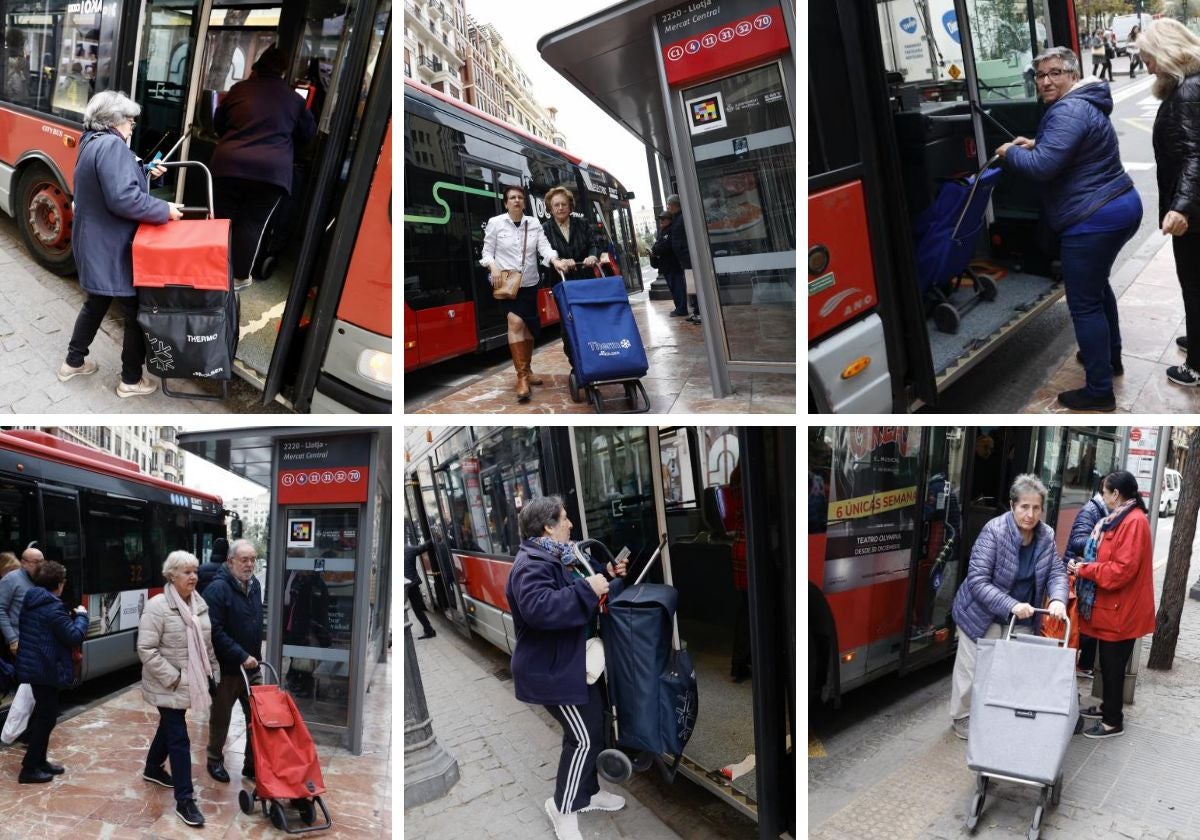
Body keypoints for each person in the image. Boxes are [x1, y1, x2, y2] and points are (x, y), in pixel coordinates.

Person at [997, 47, 1142, 411]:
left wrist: (1010, 153)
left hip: (1092, 217)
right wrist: (1036, 144)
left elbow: (1044, 167)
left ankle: (1098, 391)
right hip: (1116, 205)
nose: (1046, 81)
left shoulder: (1069, 109)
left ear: (1073, 75)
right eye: (1040, 75)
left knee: (1084, 303)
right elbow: (1064, 151)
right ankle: (1110, 359)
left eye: (1055, 72)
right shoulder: (1081, 104)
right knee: (1097, 287)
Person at [504, 495, 629, 840]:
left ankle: (587, 794)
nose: (571, 524)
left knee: (596, 728)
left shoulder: (560, 555)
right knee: (585, 738)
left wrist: (605, 575)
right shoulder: (530, 564)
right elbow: (540, 608)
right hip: (553, 671)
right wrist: (589, 588)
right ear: (547, 526)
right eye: (565, 518)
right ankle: (563, 807)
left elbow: (577, 588)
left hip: (574, 662)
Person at [58, 90, 183, 397]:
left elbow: (115, 186)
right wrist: (164, 210)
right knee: (136, 311)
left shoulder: (92, 142)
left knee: (96, 302)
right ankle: (130, 380)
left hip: (96, 242)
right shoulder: (113, 146)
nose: (132, 125)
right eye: (129, 119)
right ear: (113, 120)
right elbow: (123, 199)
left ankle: (73, 363)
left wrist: (145, 172)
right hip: (112, 246)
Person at [947, 474, 1068, 740]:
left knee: (1015, 669)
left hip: (1023, 615)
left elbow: (1056, 573)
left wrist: (1058, 598)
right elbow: (978, 580)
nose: (1030, 514)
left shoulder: (1045, 535)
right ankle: (962, 716)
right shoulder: (995, 530)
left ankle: (998, 713)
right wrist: (1011, 604)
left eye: (1036, 508)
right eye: (1024, 506)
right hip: (981, 613)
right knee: (972, 668)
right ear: (1013, 506)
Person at [209, 45, 316, 290]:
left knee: (222, 220)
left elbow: (219, 122)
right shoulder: (293, 98)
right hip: (270, 173)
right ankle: (238, 278)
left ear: (258, 65)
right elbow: (308, 135)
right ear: (283, 70)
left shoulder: (239, 89)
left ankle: (213, 271)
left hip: (229, 166)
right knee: (252, 224)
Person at [1135, 19, 1200, 385]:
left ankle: (1196, 366)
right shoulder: (1190, 85)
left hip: (1194, 212)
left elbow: (1195, 155)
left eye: (1148, 59)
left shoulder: (1188, 91)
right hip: (1194, 204)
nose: (1146, 66)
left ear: (1165, 53)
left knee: (1193, 284)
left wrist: (1182, 207)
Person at [1066, 470, 1155, 739]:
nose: (1102, 497)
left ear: (1116, 495)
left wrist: (1085, 569)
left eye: (1104, 492)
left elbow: (1120, 571)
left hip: (1123, 610)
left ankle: (1113, 722)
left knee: (1113, 665)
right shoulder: (1123, 518)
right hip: (1116, 608)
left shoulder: (1133, 522)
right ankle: (1108, 708)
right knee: (1107, 663)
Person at [137, 551, 219, 828]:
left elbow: (207, 647)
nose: (194, 576)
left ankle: (152, 768)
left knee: (169, 726)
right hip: (167, 682)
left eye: (195, 571)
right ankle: (185, 799)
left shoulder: (200, 605)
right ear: (171, 575)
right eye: (187, 572)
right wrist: (174, 678)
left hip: (191, 680)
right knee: (179, 738)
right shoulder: (158, 606)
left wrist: (212, 676)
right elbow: (146, 649)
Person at [480, 185, 571, 402]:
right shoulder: (496, 223)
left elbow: (544, 248)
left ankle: (528, 370)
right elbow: (486, 251)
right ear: (506, 203)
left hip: (529, 283)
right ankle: (521, 377)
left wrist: (555, 260)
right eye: (512, 198)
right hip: (506, 283)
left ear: (524, 202)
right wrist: (492, 267)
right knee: (515, 323)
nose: (517, 201)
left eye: (520, 197)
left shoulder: (534, 223)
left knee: (528, 329)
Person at [14, 561, 87, 784]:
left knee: (46, 715)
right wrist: (82, 616)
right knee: (47, 718)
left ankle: (40, 761)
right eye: (63, 581)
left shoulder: (33, 600)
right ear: (58, 584)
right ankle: (29, 768)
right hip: (46, 669)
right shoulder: (53, 608)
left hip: (36, 666)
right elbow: (74, 636)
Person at [203, 539, 263, 784]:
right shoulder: (217, 590)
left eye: (252, 559)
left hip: (253, 666)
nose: (249, 565)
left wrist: (255, 655)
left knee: (258, 717)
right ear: (230, 562)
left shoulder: (256, 585)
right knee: (221, 718)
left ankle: (251, 763)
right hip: (228, 668)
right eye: (244, 560)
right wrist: (241, 655)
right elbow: (214, 631)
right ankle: (214, 759)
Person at [1066, 488, 1108, 678]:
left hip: (1085, 572)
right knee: (1079, 622)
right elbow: (1077, 541)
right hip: (1078, 573)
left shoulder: (1103, 512)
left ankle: (1081, 663)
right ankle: (1073, 663)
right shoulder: (1091, 511)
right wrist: (1105, 546)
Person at [541, 186, 601, 281]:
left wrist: (592, 256)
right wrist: (560, 261)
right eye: (556, 205)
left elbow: (593, 244)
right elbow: (543, 254)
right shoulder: (545, 228)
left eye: (564, 204)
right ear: (550, 209)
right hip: (560, 280)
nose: (560, 208)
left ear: (570, 207)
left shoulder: (582, 223)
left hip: (586, 278)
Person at [0, 546, 43, 656]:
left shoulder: (42, 578)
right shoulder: (11, 579)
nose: (41, 565)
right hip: (19, 642)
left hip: (39, 641)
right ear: (23, 563)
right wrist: (12, 639)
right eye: (36, 562)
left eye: (42, 561)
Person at [666, 194, 701, 324]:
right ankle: (696, 311)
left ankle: (699, 312)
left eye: (669, 205)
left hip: (688, 259)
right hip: (684, 260)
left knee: (694, 286)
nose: (668, 207)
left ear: (675, 205)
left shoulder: (683, 217)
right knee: (691, 287)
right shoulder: (676, 218)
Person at [651, 210, 688, 317]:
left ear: (670, 220)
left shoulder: (670, 230)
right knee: (674, 288)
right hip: (667, 266)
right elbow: (658, 245)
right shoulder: (663, 231)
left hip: (673, 265)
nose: (661, 221)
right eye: (660, 219)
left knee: (677, 287)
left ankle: (681, 309)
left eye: (663, 219)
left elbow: (664, 246)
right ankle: (679, 308)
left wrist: (655, 250)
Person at [405, 532, 436, 639]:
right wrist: (434, 537)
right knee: (417, 609)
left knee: (416, 609)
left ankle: (429, 630)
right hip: (412, 584)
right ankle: (429, 629)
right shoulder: (409, 549)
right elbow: (424, 547)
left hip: (406, 586)